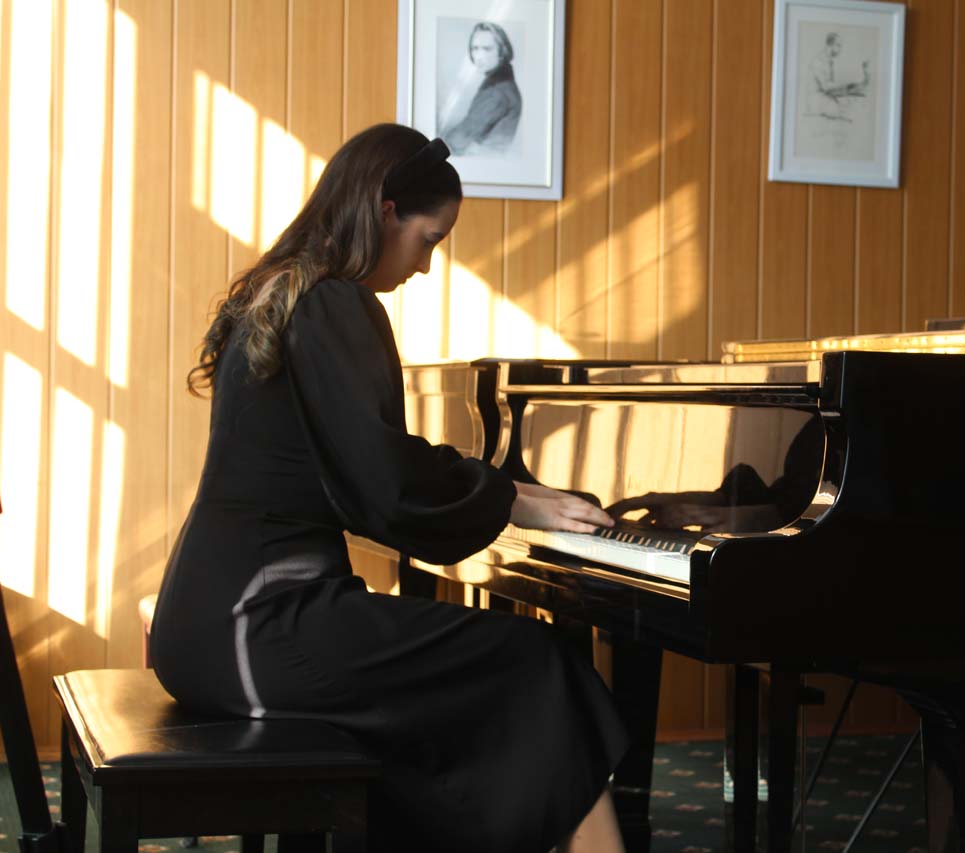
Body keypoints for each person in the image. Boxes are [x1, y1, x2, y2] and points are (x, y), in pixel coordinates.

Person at [149, 123, 628, 853]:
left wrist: (497, 495)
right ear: (385, 211)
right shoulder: (333, 302)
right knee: (536, 662)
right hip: (262, 624)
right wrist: (512, 498)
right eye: (430, 241)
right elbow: (388, 483)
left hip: (209, 624)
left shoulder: (285, 292)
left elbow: (368, 469)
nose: (427, 266)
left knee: (466, 688)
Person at [442, 21, 522, 155]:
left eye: (486, 49)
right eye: (475, 48)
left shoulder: (497, 92)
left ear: (502, 52)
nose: (478, 57)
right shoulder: (498, 83)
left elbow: (458, 140)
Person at [807, 31, 869, 121]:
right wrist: (847, 86)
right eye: (838, 45)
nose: (840, 49)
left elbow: (830, 88)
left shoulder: (828, 61)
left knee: (854, 102)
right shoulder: (818, 62)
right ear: (830, 45)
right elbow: (826, 88)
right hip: (817, 101)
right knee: (851, 110)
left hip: (825, 98)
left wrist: (850, 89)